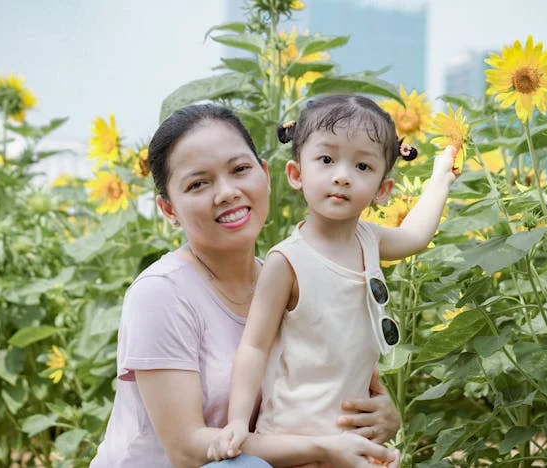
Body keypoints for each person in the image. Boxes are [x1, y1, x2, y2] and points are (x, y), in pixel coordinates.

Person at [90, 103, 402, 468]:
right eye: (198, 183)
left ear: (267, 175)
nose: (227, 192)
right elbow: (187, 450)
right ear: (169, 210)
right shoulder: (160, 294)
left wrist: (382, 417)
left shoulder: (291, 280)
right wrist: (325, 448)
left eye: (239, 170)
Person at [209, 95, 458, 465]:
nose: (342, 175)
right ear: (297, 174)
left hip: (352, 436)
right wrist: (237, 422)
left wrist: (440, 178)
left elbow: (416, 236)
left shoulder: (370, 240)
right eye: (326, 160)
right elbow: (254, 347)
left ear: (381, 190)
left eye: (361, 165)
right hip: (294, 440)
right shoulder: (287, 260)